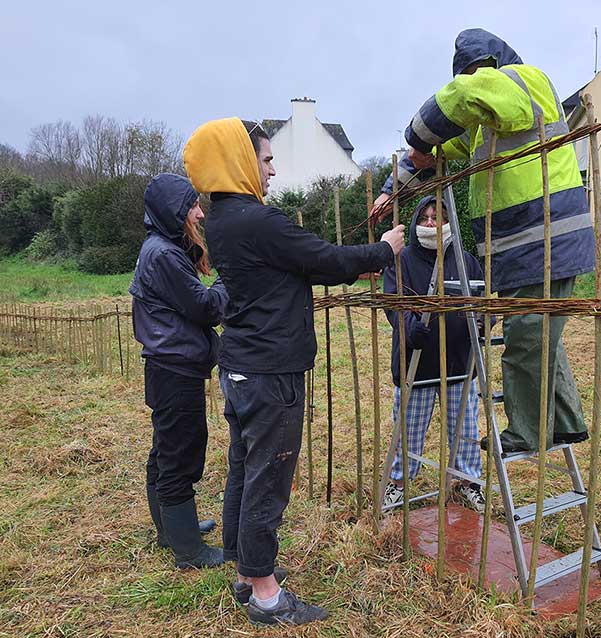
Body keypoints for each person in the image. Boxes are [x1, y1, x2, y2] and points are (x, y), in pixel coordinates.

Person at [183, 118, 405, 627]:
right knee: (270, 477)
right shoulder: (257, 221)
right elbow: (320, 257)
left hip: (241, 366)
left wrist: (352, 262)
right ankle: (265, 592)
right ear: (239, 163)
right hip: (269, 371)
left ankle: (245, 572)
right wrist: (383, 250)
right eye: (264, 160)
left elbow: (299, 264)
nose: (272, 169)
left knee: (244, 467)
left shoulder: (221, 220)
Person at [372, 29, 593, 453]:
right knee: (540, 332)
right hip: (524, 243)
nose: (474, 81)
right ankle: (566, 422)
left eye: (475, 72)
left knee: (527, 333)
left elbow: (460, 97)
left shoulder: (525, 81)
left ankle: (527, 432)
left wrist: (414, 135)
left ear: (490, 66)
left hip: (547, 236)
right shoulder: (486, 124)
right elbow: (433, 156)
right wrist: (390, 188)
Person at [129, 173, 228, 569]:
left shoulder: (159, 248)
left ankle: (172, 530)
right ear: (174, 211)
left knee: (166, 449)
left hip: (166, 366)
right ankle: (188, 551)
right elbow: (205, 307)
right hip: (175, 368)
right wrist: (229, 281)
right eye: (192, 206)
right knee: (180, 453)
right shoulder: (164, 255)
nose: (200, 214)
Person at [382, 195, 486, 513]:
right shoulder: (402, 260)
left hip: (458, 361)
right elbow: (393, 303)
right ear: (415, 223)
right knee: (409, 429)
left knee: (465, 428)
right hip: (417, 363)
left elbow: (481, 300)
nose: (430, 224)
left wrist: (483, 323)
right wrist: (409, 327)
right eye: (424, 218)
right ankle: (397, 484)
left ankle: (468, 482)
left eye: (437, 218)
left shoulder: (465, 260)